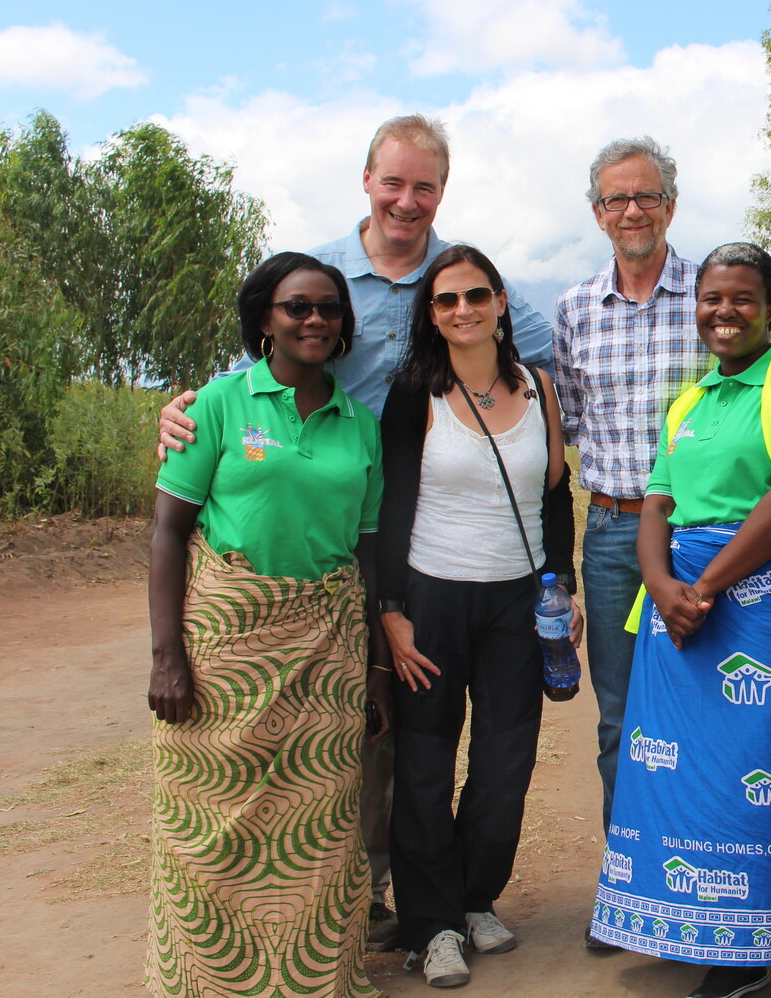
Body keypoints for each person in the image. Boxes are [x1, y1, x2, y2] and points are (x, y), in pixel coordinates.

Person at [158, 114, 555, 949]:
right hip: (360, 544)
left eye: (425, 186)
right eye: (393, 182)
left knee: (407, 745)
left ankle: (413, 900)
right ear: (367, 181)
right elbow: (255, 369)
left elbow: (544, 382)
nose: (407, 201)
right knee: (371, 750)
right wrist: (192, 405)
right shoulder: (322, 277)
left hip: (394, 541)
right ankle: (368, 903)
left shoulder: (466, 278)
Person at [589, 243, 771, 998]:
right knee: (690, 779)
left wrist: (699, 586)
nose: (724, 312)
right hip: (681, 611)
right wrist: (662, 583)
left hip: (770, 606)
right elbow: (656, 505)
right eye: (711, 299)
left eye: (741, 298)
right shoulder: (689, 402)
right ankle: (718, 940)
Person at [146, 252, 387, 998]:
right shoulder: (218, 404)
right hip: (227, 643)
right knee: (211, 818)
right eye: (297, 307)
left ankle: (316, 980)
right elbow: (165, 534)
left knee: (319, 823)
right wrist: (167, 658)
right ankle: (206, 981)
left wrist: (375, 668)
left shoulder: (360, 425)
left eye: (329, 309)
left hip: (329, 647)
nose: (314, 320)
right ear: (264, 319)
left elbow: (367, 551)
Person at [376, 245, 579, 988]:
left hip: (515, 603)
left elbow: (555, 495)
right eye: (446, 300)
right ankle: (431, 925)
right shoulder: (412, 395)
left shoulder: (539, 390)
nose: (462, 309)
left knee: (505, 762)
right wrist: (391, 610)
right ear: (430, 315)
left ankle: (475, 896)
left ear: (500, 302)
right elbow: (392, 507)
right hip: (431, 595)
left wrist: (564, 587)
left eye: (476, 295)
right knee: (426, 762)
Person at [553, 137, 710, 865]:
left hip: (704, 535)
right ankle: (632, 880)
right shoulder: (575, 310)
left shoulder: (714, 295)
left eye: (647, 195)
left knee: (707, 707)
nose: (633, 209)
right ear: (597, 213)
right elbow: (571, 425)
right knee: (620, 716)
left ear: (671, 205)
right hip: (614, 534)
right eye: (617, 198)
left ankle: (706, 871)